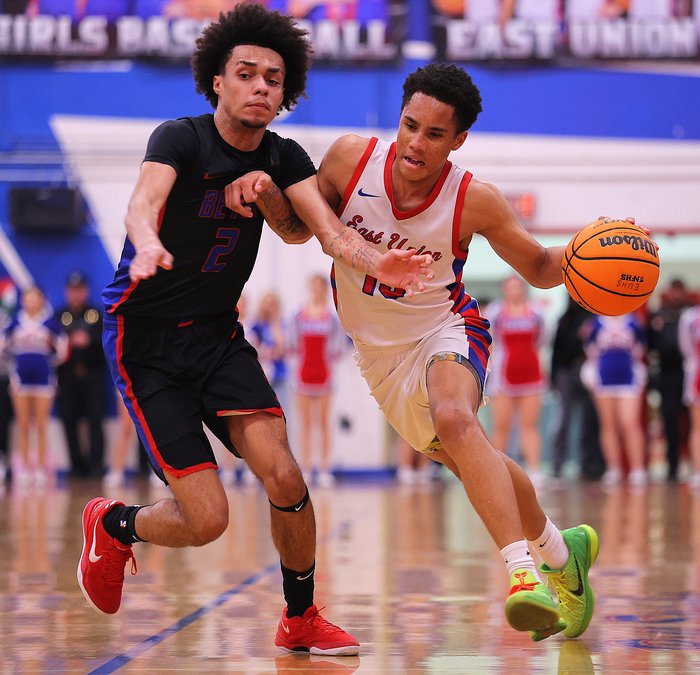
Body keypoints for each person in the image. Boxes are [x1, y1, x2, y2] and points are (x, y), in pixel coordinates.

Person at [227, 63, 635, 642]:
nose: (416, 143)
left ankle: (524, 575)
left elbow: (542, 268)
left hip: (446, 328)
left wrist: (592, 248)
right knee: (474, 460)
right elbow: (299, 229)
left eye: (435, 134)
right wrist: (268, 194)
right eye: (410, 125)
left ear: (458, 140)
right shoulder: (350, 159)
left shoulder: (474, 200)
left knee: (455, 418)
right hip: (378, 356)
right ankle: (561, 553)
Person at [77, 4, 432, 656]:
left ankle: (301, 617)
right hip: (145, 340)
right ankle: (115, 524)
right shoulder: (180, 138)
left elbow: (321, 232)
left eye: (273, 78)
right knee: (208, 520)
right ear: (217, 81)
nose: (261, 87)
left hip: (217, 337)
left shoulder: (283, 156)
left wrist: (378, 261)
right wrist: (147, 240)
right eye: (246, 74)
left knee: (286, 477)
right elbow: (142, 202)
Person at [485, 275, 547, 488]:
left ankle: (534, 470)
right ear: (504, 289)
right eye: (510, 287)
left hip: (531, 374)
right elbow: (488, 341)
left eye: (518, 286)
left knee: (529, 425)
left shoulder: (536, 312)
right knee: (501, 426)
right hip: (503, 376)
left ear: (523, 289)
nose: (515, 290)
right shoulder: (495, 312)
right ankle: (497, 471)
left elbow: (543, 339)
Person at [2, 285, 67, 487]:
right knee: (23, 425)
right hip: (20, 379)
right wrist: (14, 364)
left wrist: (50, 363)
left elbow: (63, 349)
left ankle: (40, 468)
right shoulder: (15, 323)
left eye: (35, 298)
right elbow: (3, 348)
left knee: (40, 425)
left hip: (43, 380)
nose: (31, 302)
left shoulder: (50, 324)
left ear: (42, 300)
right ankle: (24, 469)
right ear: (23, 301)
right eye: (27, 298)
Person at [289, 274, 345, 487]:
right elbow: (292, 344)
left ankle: (324, 468)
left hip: (324, 374)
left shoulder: (332, 317)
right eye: (313, 287)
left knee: (323, 423)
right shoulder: (298, 314)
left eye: (319, 287)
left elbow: (338, 346)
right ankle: (305, 467)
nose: (316, 291)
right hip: (303, 373)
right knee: (305, 424)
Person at [581, 313, 648, 487]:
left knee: (630, 423)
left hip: (628, 378)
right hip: (603, 379)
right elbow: (590, 350)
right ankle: (614, 468)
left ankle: (637, 469)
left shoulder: (633, 322)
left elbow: (640, 348)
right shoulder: (596, 323)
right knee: (608, 424)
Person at [55, 271, 107, 479]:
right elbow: (53, 346)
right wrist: (70, 341)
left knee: (95, 419)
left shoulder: (96, 315)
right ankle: (76, 465)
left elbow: (106, 345)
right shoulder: (60, 316)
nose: (76, 294)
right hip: (67, 378)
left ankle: (96, 465)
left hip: (92, 375)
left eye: (79, 290)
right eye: (72, 290)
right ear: (67, 292)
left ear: (86, 291)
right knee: (69, 420)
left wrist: (89, 340)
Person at [549, 297, 604, 481]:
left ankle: (590, 464)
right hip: (566, 371)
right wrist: (553, 378)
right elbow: (557, 349)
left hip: (588, 370)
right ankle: (557, 464)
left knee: (590, 419)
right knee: (563, 419)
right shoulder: (565, 318)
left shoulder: (594, 319)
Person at [647, 278, 691, 481]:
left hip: (688, 373)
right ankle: (672, 467)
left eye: (679, 291)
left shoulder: (691, 314)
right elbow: (650, 345)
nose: (676, 295)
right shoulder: (659, 315)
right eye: (674, 290)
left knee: (693, 421)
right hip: (667, 374)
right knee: (670, 421)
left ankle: (694, 464)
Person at [678, 302, 700, 489]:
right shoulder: (690, 317)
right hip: (697, 377)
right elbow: (686, 349)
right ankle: (698, 472)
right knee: (697, 427)